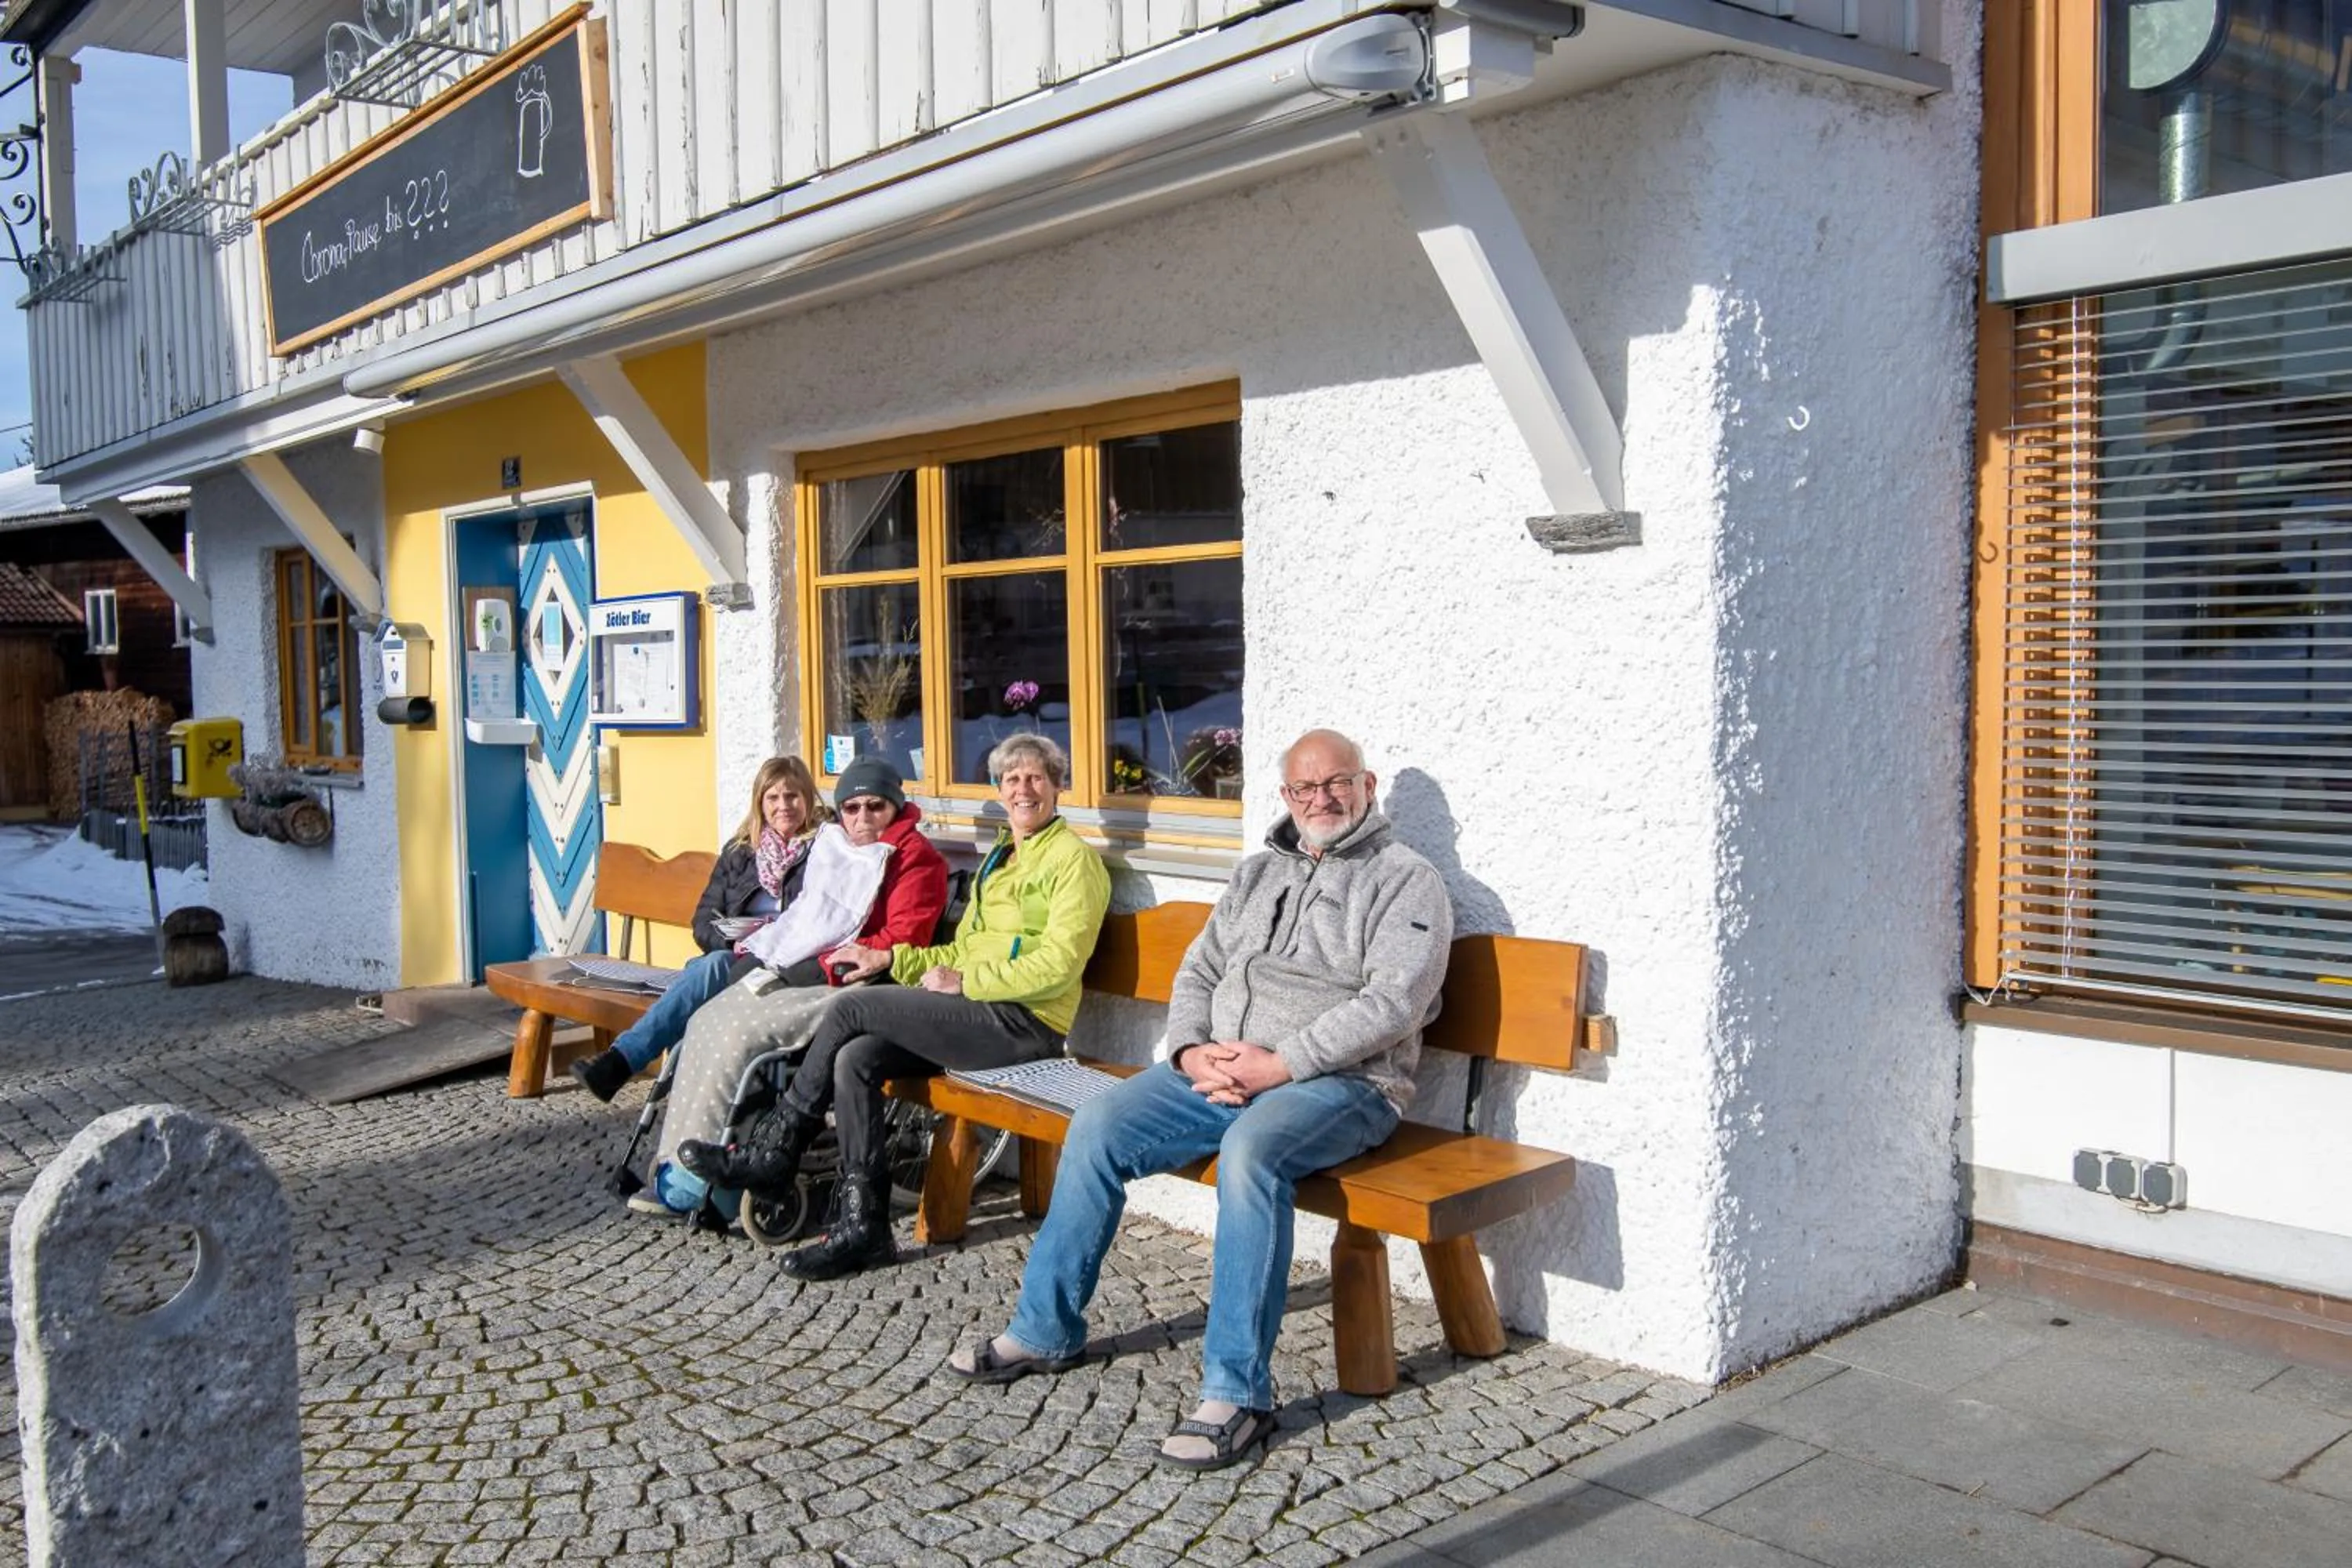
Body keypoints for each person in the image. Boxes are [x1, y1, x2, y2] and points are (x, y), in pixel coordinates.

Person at [946, 729, 1451, 1473]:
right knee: (1099, 1125)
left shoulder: (1407, 880)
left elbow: (1394, 1003)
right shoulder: (1256, 875)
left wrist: (1279, 1064)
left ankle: (1237, 1396)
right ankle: (1045, 1329)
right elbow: (1200, 971)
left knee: (1251, 1156)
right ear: (1285, 797)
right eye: (1304, 789)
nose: (1321, 800)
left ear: (1367, 785)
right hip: (1220, 1070)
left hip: (1346, 1085)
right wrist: (1189, 1051)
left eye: (1336, 784)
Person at [680, 731, 1111, 1279]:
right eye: (1012, 779)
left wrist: (967, 980)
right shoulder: (1002, 856)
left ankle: (777, 1149)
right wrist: (887, 961)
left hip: (1025, 1023)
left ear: (1057, 787)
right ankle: (866, 1228)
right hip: (979, 1012)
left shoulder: (1073, 862)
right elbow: (957, 950)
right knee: (855, 1056)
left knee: (851, 1011)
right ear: (1000, 791)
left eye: (1035, 778)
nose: (1023, 789)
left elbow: (1059, 966)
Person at [637, 757, 949, 1218]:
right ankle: (678, 1159)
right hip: (812, 971)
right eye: (852, 808)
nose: (862, 819)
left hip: (859, 981)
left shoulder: (915, 859)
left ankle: (707, 1180)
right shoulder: (839, 849)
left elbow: (903, 939)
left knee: (741, 1035)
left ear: (895, 807)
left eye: (875, 807)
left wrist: (824, 960)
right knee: (706, 1020)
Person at [569, 756, 826, 1102]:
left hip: (788, 965)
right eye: (773, 798)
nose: (784, 806)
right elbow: (702, 920)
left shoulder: (826, 849)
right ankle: (676, 1094)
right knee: (708, 968)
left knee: (706, 973)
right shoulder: (739, 852)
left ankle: (628, 1065)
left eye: (793, 796)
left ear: (808, 798)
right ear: (760, 803)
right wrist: (732, 940)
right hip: (736, 959)